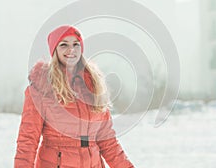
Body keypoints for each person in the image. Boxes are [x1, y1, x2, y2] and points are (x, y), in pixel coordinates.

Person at [14, 25, 134, 168]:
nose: (71, 50)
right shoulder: (41, 88)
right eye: (64, 45)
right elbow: (27, 141)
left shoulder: (94, 85)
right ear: (54, 50)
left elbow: (108, 142)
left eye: (76, 44)